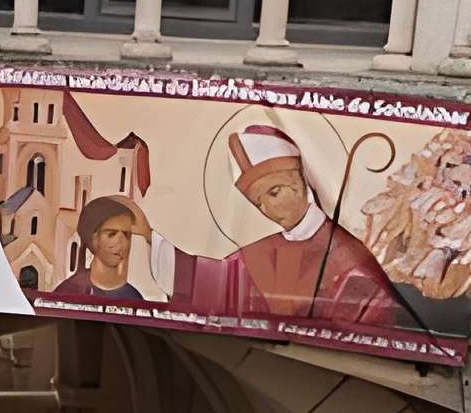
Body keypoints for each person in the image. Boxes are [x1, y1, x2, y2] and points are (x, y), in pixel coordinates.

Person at [167, 125, 408, 332]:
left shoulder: (348, 251)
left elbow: (373, 315)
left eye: (274, 192)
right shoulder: (257, 254)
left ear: (298, 180)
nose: (268, 208)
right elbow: (212, 282)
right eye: (258, 202)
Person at [40, 197, 152, 306]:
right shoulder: (68, 292)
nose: (122, 243)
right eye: (111, 234)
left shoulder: (133, 297)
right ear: (92, 239)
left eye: (126, 235)